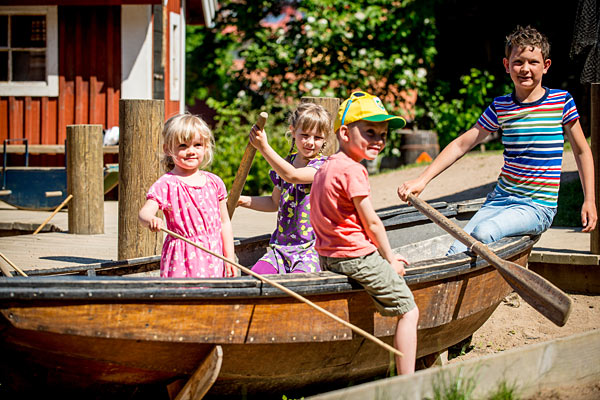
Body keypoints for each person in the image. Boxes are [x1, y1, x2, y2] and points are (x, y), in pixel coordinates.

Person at [398, 25, 597, 255]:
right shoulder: (501, 107)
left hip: (537, 207)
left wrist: (589, 200)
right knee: (456, 248)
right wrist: (422, 180)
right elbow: (463, 143)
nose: (525, 69)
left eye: (533, 62)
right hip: (500, 199)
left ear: (546, 66)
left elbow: (582, 151)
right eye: (518, 62)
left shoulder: (561, 102)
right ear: (506, 65)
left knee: (483, 233)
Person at [310, 91, 419, 375]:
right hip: (354, 255)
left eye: (383, 134)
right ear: (344, 132)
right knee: (409, 309)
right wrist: (390, 259)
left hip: (328, 255)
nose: (378, 140)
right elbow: (372, 223)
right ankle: (407, 381)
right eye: (370, 131)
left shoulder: (325, 167)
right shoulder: (353, 171)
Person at [237, 103, 333, 274]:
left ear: (325, 139)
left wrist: (263, 147)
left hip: (312, 249)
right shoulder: (286, 164)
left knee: (298, 283)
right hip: (280, 249)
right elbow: (274, 203)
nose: (310, 142)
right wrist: (243, 200)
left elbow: (293, 176)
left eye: (317, 137)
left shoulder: (323, 166)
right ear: (293, 131)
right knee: (256, 277)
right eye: (304, 135)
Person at [138, 113, 236, 278]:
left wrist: (230, 257)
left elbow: (224, 222)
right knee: (182, 297)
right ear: (168, 149)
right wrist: (151, 220)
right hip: (181, 258)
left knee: (211, 297)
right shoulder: (167, 183)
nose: (191, 151)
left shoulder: (214, 182)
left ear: (205, 148)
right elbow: (144, 214)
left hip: (213, 256)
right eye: (183, 146)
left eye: (197, 145)